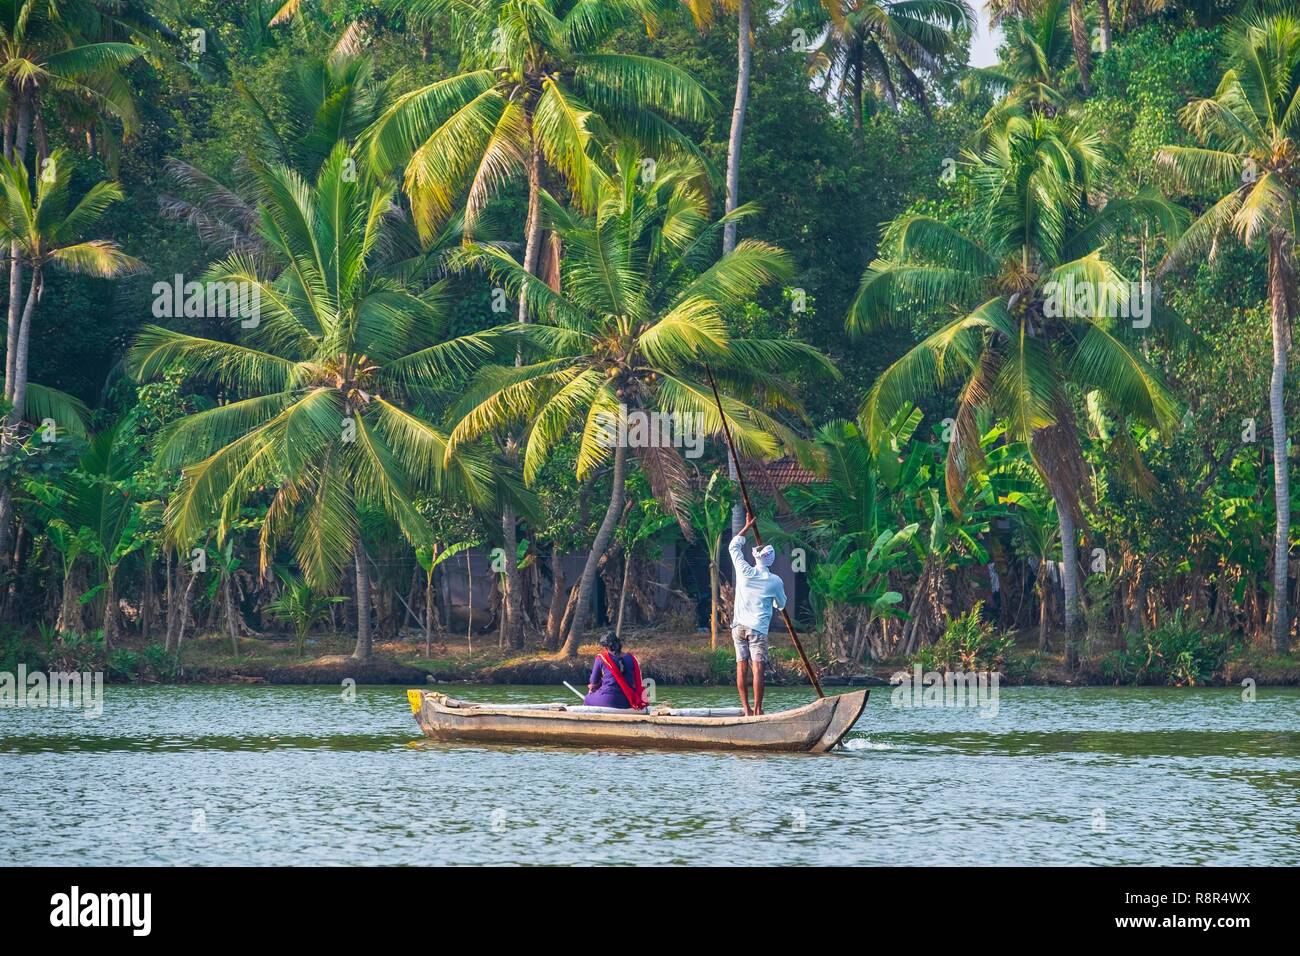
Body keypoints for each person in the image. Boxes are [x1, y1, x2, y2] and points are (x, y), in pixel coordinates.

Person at [729, 515, 786, 716]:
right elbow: (782, 604)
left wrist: (746, 527)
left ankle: (746, 709)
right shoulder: (775, 581)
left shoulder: (744, 570)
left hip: (738, 628)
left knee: (741, 666)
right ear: (770, 560)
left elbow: (733, 547)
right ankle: (758, 709)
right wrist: (771, 600)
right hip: (757, 629)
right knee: (758, 668)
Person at [584, 632, 646, 709]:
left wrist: (594, 686)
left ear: (606, 647)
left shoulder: (601, 658)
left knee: (587, 699)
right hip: (629, 701)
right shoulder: (631, 658)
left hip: (609, 700)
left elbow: (593, 681)